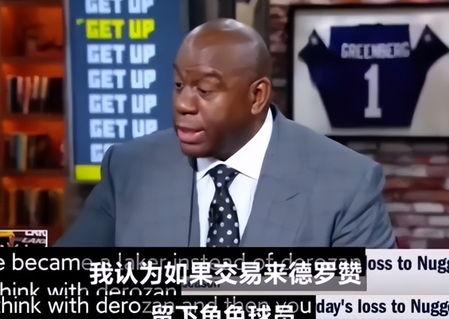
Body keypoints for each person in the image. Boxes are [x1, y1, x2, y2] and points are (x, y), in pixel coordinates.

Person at [57, 19, 395, 248]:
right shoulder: (130, 168)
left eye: (204, 90)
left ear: (257, 96)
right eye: (179, 85)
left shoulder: (347, 184)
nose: (183, 104)